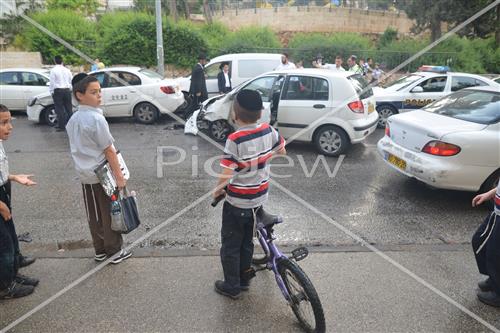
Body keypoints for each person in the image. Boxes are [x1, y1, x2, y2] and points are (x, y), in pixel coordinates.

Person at [213, 89, 286, 299]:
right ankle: (244, 279)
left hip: (237, 203)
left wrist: (217, 192)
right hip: (259, 199)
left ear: (234, 114)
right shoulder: (269, 130)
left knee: (230, 246)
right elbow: (282, 150)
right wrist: (262, 158)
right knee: (247, 242)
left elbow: (227, 173)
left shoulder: (235, 139)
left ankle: (232, 286)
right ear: (261, 112)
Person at [66, 74, 131, 264]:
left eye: (99, 91)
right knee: (111, 211)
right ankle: (114, 251)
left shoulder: (73, 119)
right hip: (104, 175)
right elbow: (109, 150)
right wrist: (120, 178)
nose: (99, 96)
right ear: (79, 95)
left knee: (93, 214)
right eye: (93, 92)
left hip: (85, 175)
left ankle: (100, 250)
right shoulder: (96, 119)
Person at [0, 104, 39, 300]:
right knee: (3, 245)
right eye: (3, 123)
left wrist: (15, 177)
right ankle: (5, 287)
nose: (10, 127)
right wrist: (0, 205)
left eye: (9, 122)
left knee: (11, 238)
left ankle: (12, 274)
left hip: (3, 191)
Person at [472, 181, 500, 307]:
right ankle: (494, 279)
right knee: (479, 241)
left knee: (494, 253)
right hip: (497, 213)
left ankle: (498, 293)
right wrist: (489, 194)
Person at [49, 55, 73, 131]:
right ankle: (72, 125)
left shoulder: (53, 70)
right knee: (69, 109)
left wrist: (51, 91)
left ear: (55, 61)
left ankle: (61, 126)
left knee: (59, 109)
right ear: (62, 61)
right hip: (67, 90)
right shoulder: (67, 70)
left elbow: (52, 82)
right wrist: (70, 89)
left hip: (58, 91)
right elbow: (71, 80)